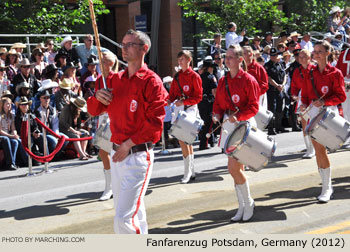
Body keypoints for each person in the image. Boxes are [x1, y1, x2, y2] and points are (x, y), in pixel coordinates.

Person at [88, 29, 168, 234]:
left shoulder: (152, 81)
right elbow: (92, 110)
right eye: (122, 44)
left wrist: (128, 144)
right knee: (135, 213)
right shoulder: (115, 80)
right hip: (117, 154)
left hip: (137, 154)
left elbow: (155, 124)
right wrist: (98, 96)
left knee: (123, 219)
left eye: (130, 44)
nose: (124, 48)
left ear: (144, 49)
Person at [212, 44, 260, 222]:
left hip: (244, 125)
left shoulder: (249, 80)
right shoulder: (223, 81)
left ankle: (248, 203)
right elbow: (218, 103)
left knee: (233, 168)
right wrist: (216, 113)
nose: (227, 60)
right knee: (235, 169)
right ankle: (242, 206)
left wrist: (238, 116)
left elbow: (254, 107)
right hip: (230, 126)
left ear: (240, 60)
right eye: (226, 57)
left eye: (231, 57)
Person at [299, 40, 346, 203]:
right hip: (313, 114)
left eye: (319, 51)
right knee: (318, 151)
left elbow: (341, 96)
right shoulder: (310, 73)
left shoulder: (335, 73)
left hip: (328, 114)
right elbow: (305, 94)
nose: (316, 54)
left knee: (322, 151)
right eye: (315, 51)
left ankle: (327, 188)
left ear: (327, 53)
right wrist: (303, 105)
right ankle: (326, 186)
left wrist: (325, 102)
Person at [87, 51, 118, 201]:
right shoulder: (99, 79)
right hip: (102, 117)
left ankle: (117, 184)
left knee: (115, 153)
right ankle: (109, 186)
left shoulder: (117, 79)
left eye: (103, 61)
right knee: (103, 152)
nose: (100, 63)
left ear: (111, 63)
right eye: (100, 61)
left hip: (115, 118)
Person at [168, 50, 202, 183]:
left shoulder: (195, 76)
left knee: (185, 140)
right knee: (183, 140)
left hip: (190, 109)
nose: (180, 62)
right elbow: (172, 94)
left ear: (189, 60)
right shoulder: (176, 77)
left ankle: (188, 172)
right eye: (179, 59)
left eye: (182, 59)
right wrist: (169, 100)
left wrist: (184, 102)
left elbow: (198, 97)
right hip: (179, 109)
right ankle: (190, 171)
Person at [290, 49, 315, 159]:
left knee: (315, 124)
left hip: (314, 99)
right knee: (304, 124)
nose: (301, 58)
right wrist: (294, 95)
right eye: (300, 56)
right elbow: (294, 85)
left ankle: (316, 148)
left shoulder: (315, 69)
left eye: (304, 56)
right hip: (302, 99)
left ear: (309, 58)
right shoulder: (296, 71)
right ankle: (309, 149)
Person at [264, 47, 288, 135]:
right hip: (272, 90)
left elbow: (284, 75)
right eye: (272, 55)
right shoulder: (267, 65)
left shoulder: (280, 64)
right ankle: (271, 128)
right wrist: (277, 85)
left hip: (280, 89)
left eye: (275, 55)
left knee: (280, 107)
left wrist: (282, 84)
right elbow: (268, 78)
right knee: (272, 109)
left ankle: (279, 126)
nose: (273, 57)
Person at [0, 97, 28, 167]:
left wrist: (15, 134)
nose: (9, 106)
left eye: (10, 104)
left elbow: (13, 128)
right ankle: (10, 163)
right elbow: (0, 131)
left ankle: (25, 161)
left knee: (17, 141)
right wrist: (11, 136)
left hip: (8, 134)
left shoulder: (11, 115)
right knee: (6, 139)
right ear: (2, 105)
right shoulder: (0, 116)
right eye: (7, 104)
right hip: (2, 136)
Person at [198, 58, 217, 150]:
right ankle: (203, 143)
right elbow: (214, 91)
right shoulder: (211, 77)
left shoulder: (199, 77)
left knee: (204, 122)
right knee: (209, 123)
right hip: (209, 103)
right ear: (209, 68)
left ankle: (210, 140)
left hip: (200, 102)